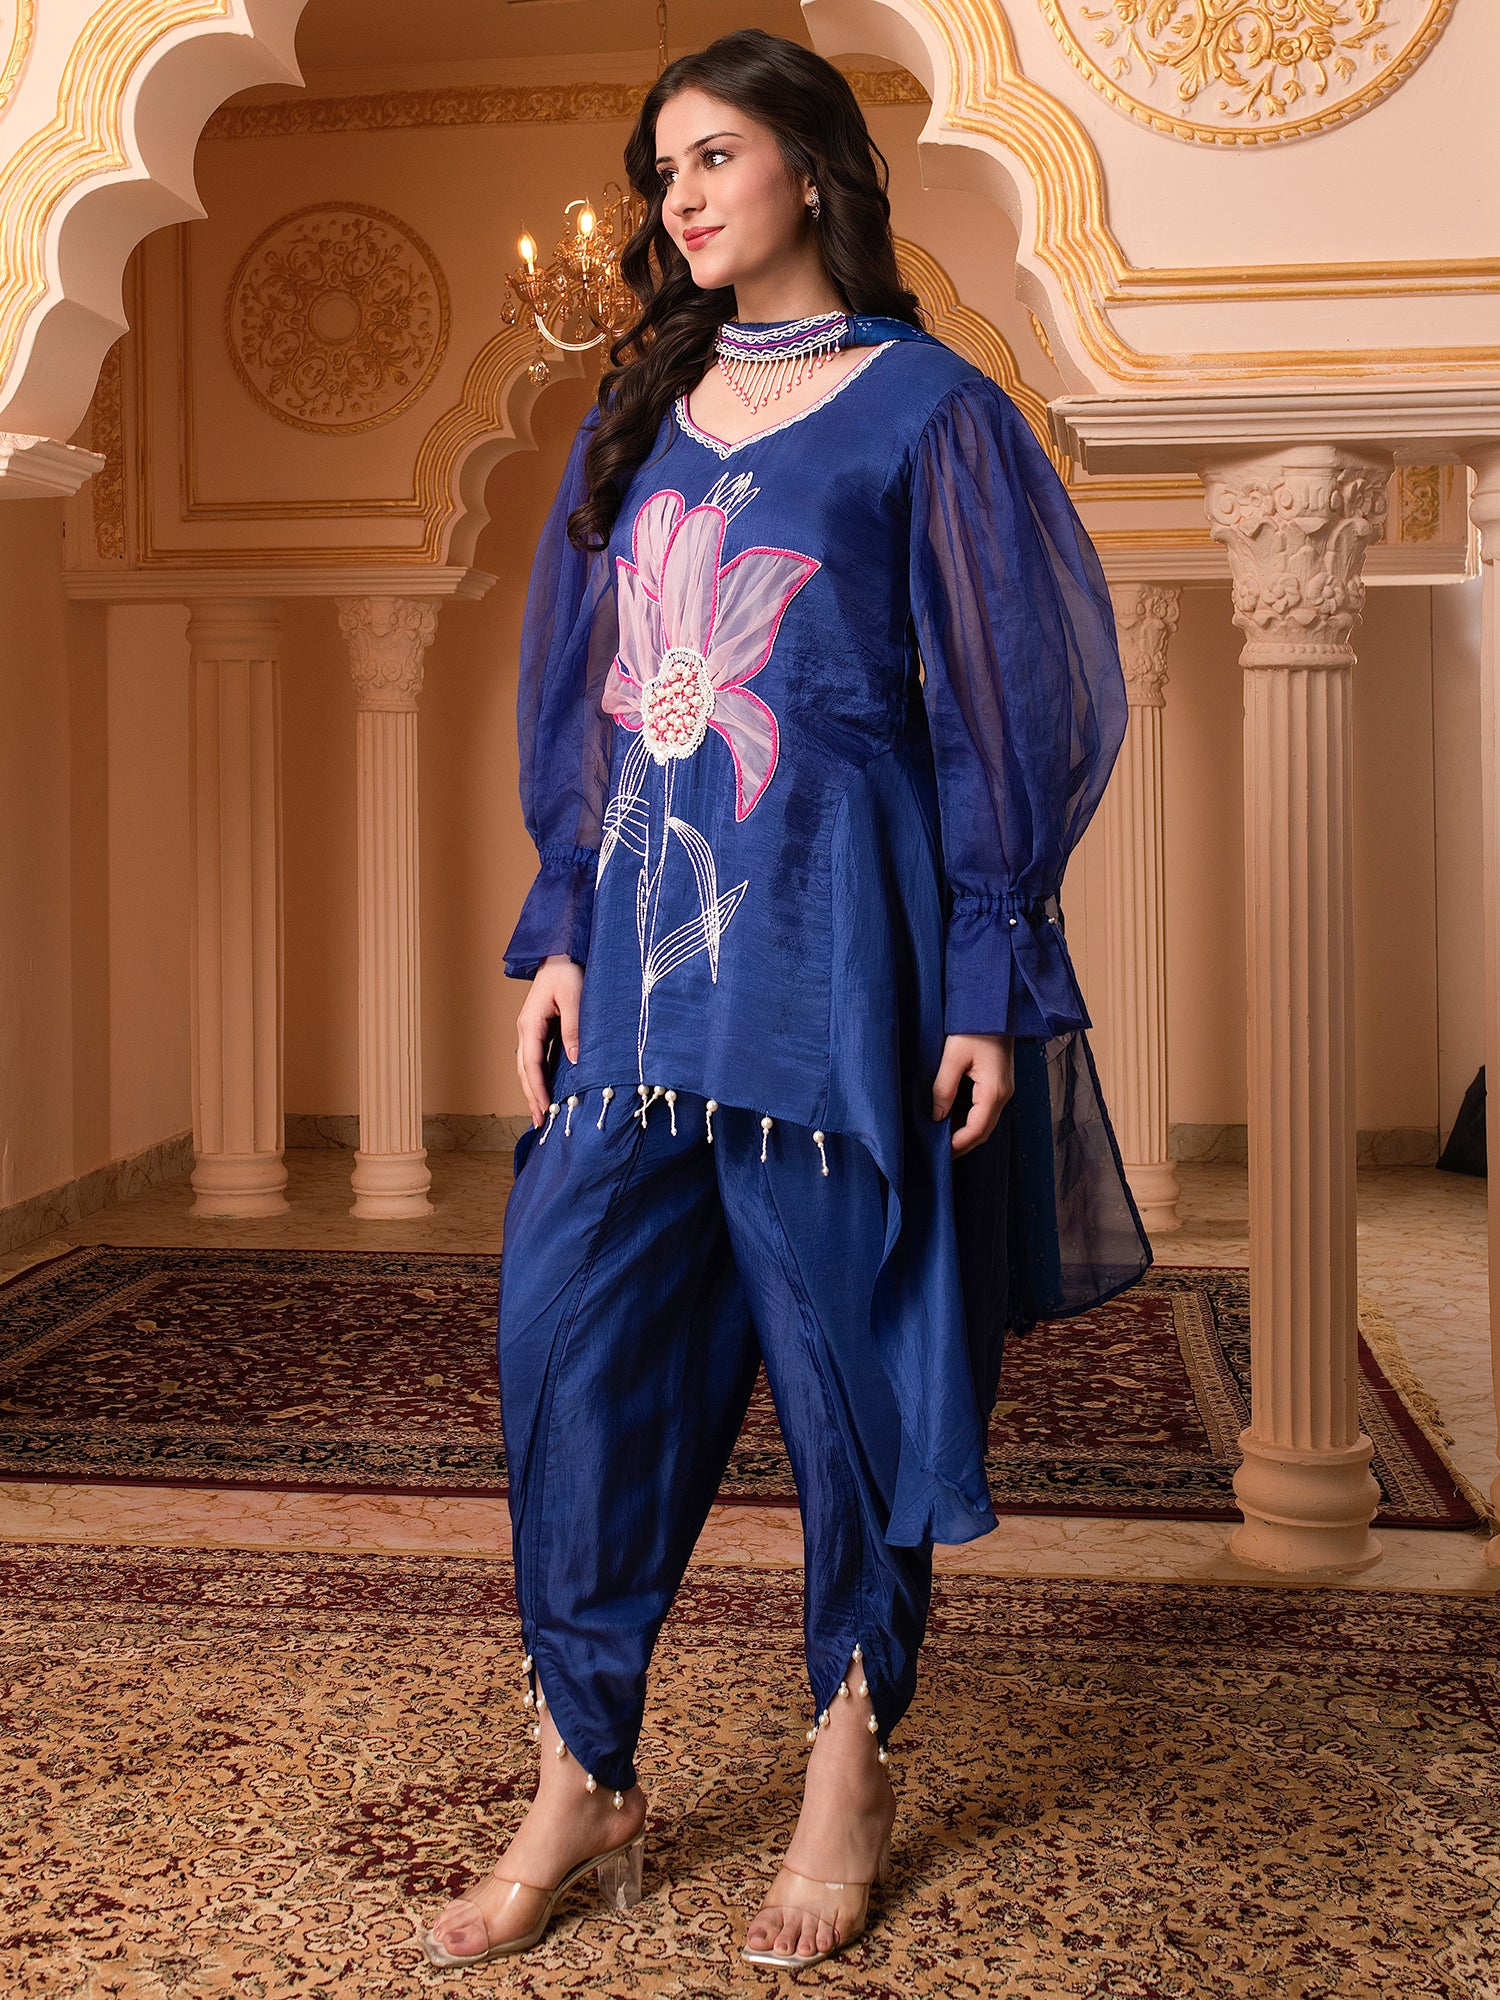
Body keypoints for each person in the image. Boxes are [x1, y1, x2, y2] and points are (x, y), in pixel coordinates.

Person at [421, 24, 1151, 1973]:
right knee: (569, 1348)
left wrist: (986, 971)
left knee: (853, 1368)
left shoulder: (933, 411)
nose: (679, 195)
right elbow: (583, 692)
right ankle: (584, 1770)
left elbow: (1013, 711)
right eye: (661, 167)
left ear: (810, 170)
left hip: (845, 956)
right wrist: (563, 922)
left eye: (714, 155)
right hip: (647, 973)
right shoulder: (636, 408)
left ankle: (850, 1757)